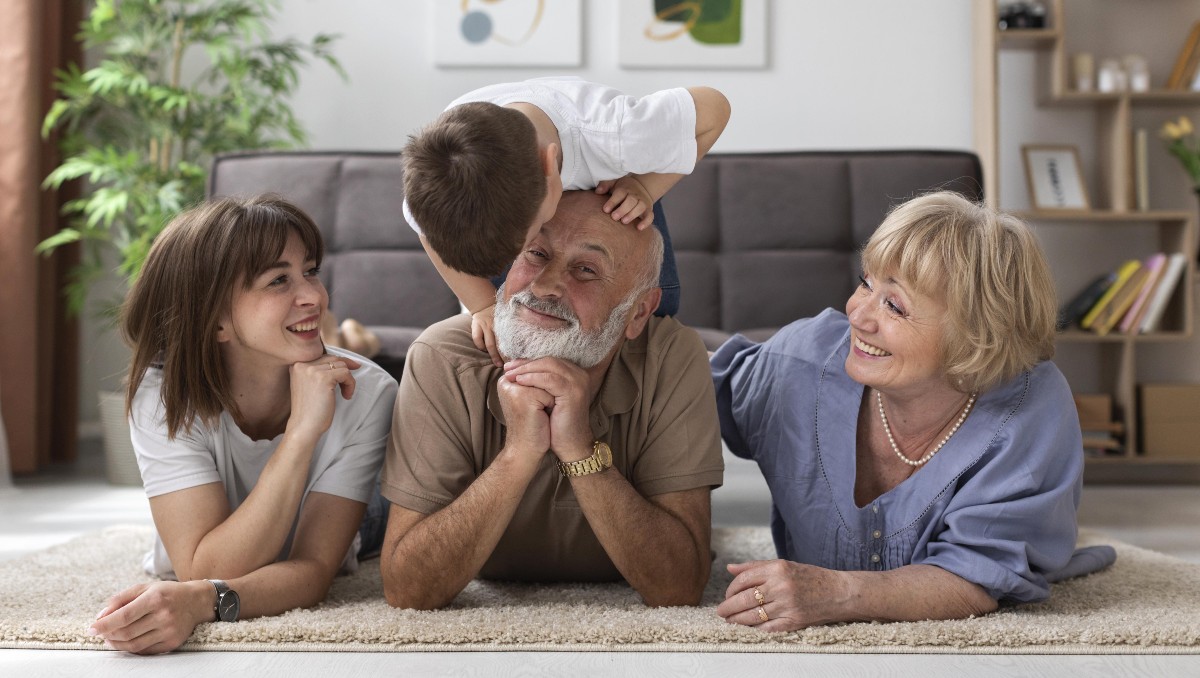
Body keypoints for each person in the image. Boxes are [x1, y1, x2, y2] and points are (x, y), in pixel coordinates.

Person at [710, 191, 1116, 631]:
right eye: (866, 283)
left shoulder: (1030, 410)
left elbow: (973, 575)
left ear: (975, 333)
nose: (858, 315)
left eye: (894, 305)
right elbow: (683, 396)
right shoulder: (799, 363)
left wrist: (836, 594)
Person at [379, 191, 724, 610]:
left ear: (637, 313)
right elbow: (407, 590)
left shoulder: (673, 356)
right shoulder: (442, 356)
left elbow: (679, 587)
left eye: (585, 269)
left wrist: (578, 447)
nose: (545, 285)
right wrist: (518, 454)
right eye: (536, 253)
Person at [87, 196, 398, 654]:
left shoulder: (367, 393)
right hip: (269, 490)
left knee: (385, 512)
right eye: (278, 280)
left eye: (310, 270)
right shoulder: (164, 397)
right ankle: (349, 336)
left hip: (358, 514)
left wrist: (199, 603)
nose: (313, 294)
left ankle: (351, 340)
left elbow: (312, 571)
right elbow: (201, 566)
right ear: (216, 322)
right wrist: (299, 437)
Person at [402, 77, 731, 365]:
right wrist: (482, 305)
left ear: (551, 167)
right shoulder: (442, 175)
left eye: (529, 239)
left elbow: (714, 109)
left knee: (652, 318)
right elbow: (426, 233)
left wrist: (644, 185)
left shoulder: (618, 134)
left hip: (611, 183)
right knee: (502, 336)